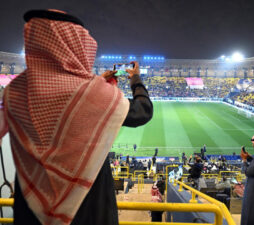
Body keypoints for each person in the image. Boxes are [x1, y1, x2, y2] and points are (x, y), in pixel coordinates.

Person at [0, 9, 153, 225]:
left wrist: (97, 81)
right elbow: (143, 111)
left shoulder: (14, 91)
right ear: (74, 46)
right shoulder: (94, 93)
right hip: (89, 209)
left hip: (31, 211)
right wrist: (136, 80)